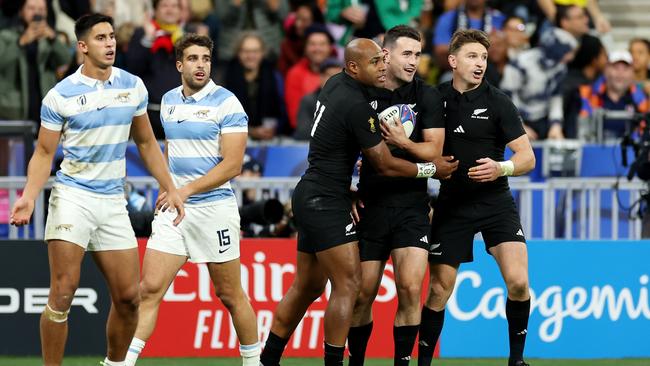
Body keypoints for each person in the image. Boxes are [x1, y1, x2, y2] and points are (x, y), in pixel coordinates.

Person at [259, 38, 457, 366]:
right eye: (375, 63)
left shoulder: (334, 84)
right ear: (354, 67)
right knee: (348, 286)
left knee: (306, 287)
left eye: (383, 61)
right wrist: (432, 169)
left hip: (311, 193)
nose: (382, 68)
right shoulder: (357, 106)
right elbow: (385, 165)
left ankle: (267, 361)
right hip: (327, 201)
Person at [9, 13, 185, 366]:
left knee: (128, 299)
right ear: (83, 46)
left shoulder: (132, 86)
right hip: (72, 197)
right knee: (62, 292)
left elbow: (148, 144)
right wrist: (29, 195)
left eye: (112, 37)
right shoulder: (61, 95)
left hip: (111, 201)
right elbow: (44, 153)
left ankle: (114, 364)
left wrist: (172, 188)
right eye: (101, 38)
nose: (110, 43)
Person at [124, 34, 260, 365]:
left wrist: (184, 190)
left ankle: (254, 362)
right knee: (149, 290)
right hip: (174, 211)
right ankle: (122, 363)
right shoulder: (168, 100)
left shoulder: (227, 103)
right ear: (180, 64)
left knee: (230, 295)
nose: (201, 65)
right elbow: (172, 148)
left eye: (206, 59)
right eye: (194, 59)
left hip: (214, 210)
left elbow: (232, 165)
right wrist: (166, 186)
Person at [417, 29, 536, 366]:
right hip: (452, 203)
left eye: (483, 57)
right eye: (472, 56)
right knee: (439, 290)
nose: (480, 63)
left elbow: (527, 157)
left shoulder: (498, 101)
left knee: (518, 282)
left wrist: (502, 167)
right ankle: (423, 362)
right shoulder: (434, 98)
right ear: (452, 61)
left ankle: (516, 360)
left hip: (495, 201)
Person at [346, 25, 454, 366]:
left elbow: (435, 150)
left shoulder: (428, 95)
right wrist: (344, 189)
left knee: (409, 288)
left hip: (412, 206)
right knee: (362, 294)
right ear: (386, 54)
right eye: (406, 54)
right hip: (369, 205)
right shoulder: (362, 93)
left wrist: (403, 143)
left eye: (417, 54)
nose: (413, 61)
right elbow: (338, 147)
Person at [0, 0, 71, 122]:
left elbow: (66, 60)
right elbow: (2, 64)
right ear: (21, 11)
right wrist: (20, 43)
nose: (37, 13)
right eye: (31, 8)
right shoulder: (6, 36)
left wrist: (53, 39)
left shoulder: (50, 39)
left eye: (41, 9)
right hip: (13, 109)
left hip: (45, 106)